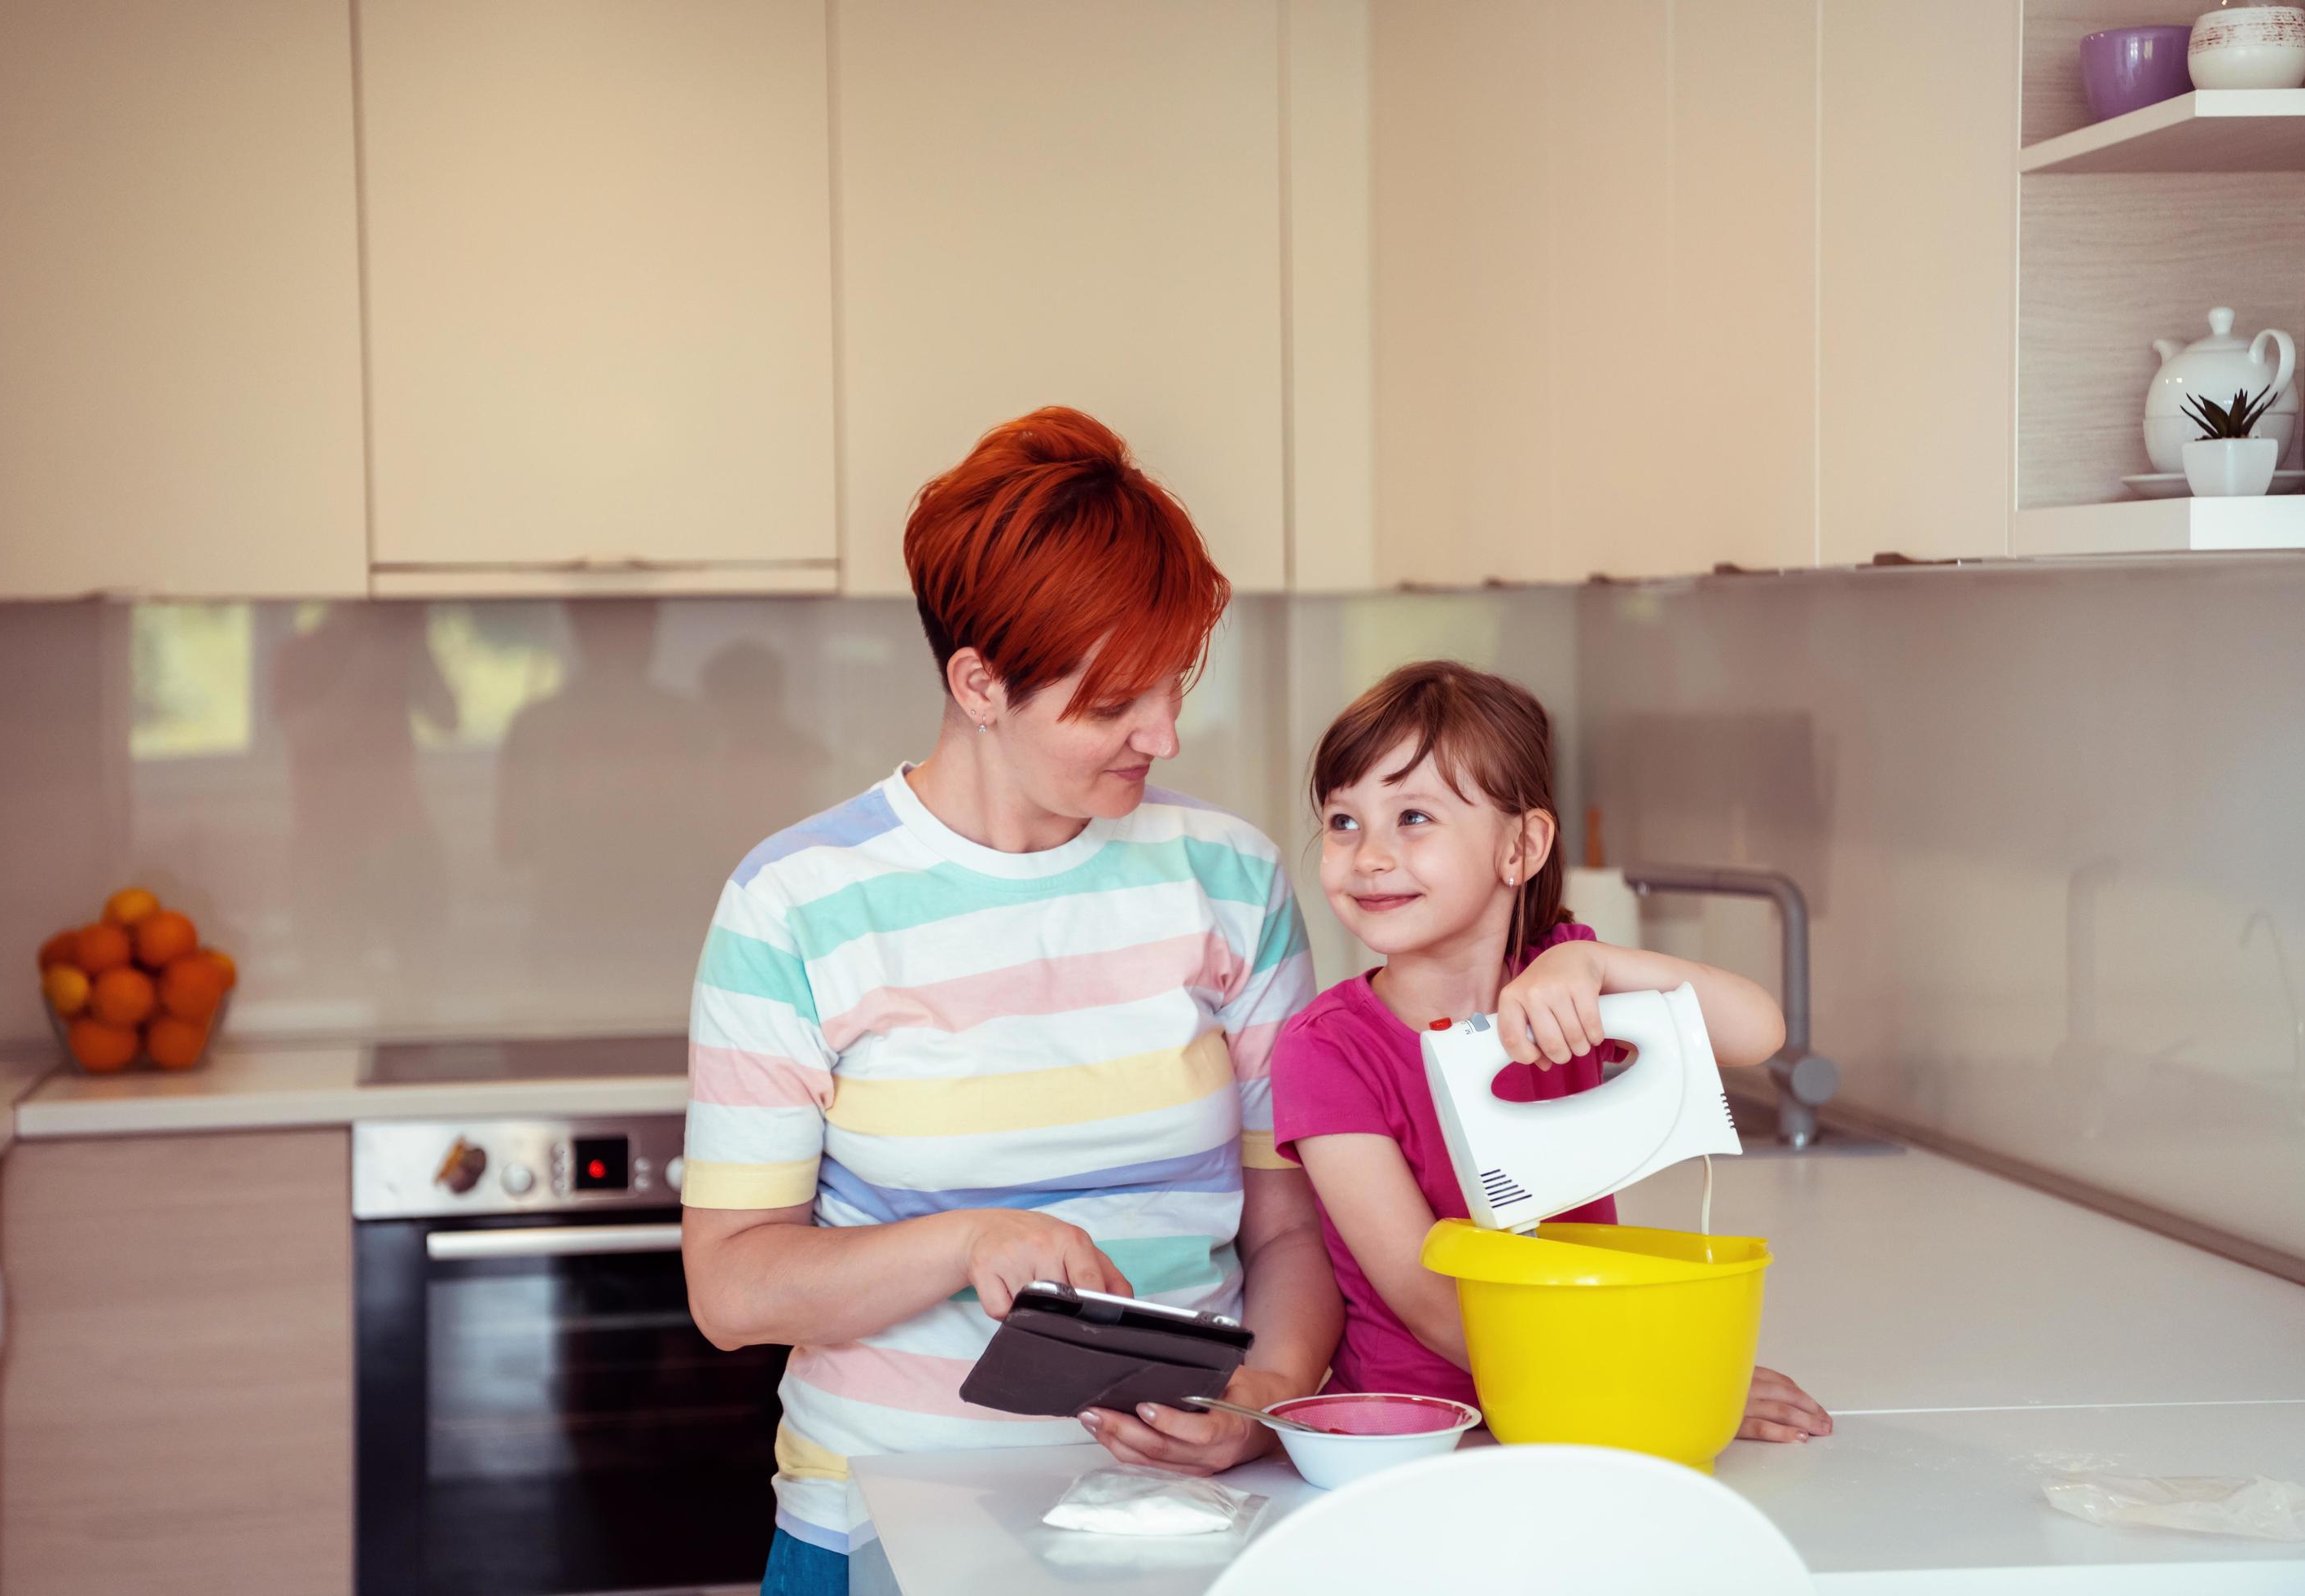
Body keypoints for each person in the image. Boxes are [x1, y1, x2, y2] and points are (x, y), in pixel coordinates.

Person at [679, 407, 1343, 1596]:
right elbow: (733, 1288)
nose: (1165, 732)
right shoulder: (796, 904)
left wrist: (1264, 1399)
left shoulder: (1228, 878)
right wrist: (969, 1243)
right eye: (1111, 705)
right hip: (880, 1530)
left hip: (1186, 1533)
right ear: (979, 683)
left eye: (1175, 686)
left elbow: (1287, 1224)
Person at [1273, 660, 1832, 1444]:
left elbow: (1756, 1030)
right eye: (1344, 821)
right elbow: (1430, 1301)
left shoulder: (1563, 987)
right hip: (1425, 1431)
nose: (1367, 855)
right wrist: (1659, 1381)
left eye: (1414, 818)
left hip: (1584, 1401)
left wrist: (1601, 964)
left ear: (1522, 846)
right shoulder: (1326, 1050)